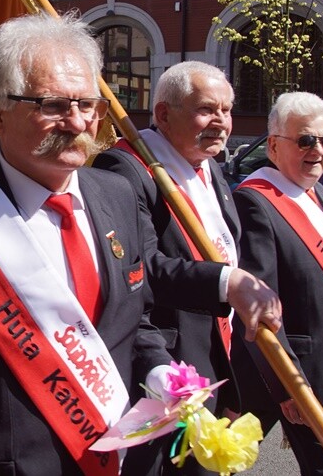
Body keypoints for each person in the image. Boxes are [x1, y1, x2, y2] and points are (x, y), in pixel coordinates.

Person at [0, 13, 281, 475]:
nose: (79, 122)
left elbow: (133, 318)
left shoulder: (118, 195)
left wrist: (159, 370)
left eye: (89, 105)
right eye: (54, 105)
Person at [93, 61, 242, 475]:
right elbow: (143, 269)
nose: (221, 122)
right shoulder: (125, 169)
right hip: (159, 364)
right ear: (163, 114)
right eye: (207, 109)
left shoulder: (209, 165)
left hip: (213, 360)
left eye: (227, 110)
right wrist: (227, 283)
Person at [232, 92, 323, 475]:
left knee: (222, 459)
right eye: (305, 140)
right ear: (272, 145)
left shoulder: (315, 191)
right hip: (290, 374)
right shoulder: (256, 202)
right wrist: (289, 385)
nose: (317, 150)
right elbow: (258, 301)